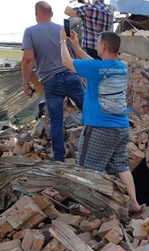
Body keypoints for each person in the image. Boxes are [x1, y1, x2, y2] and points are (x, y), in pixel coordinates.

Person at [60, 28, 144, 216]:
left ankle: (87, 207)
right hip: (121, 127)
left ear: (103, 46)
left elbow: (66, 62)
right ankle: (134, 204)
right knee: (121, 165)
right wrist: (76, 46)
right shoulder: (121, 67)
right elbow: (94, 65)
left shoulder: (97, 69)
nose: (96, 46)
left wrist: (62, 42)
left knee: (87, 167)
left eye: (98, 43)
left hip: (100, 127)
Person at [21, 1, 85, 162]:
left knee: (56, 121)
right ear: (52, 14)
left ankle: (59, 159)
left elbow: (28, 59)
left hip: (51, 82)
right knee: (90, 113)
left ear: (37, 13)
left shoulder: (30, 32)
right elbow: (76, 53)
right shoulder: (63, 29)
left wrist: (25, 83)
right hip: (71, 77)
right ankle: (98, 148)